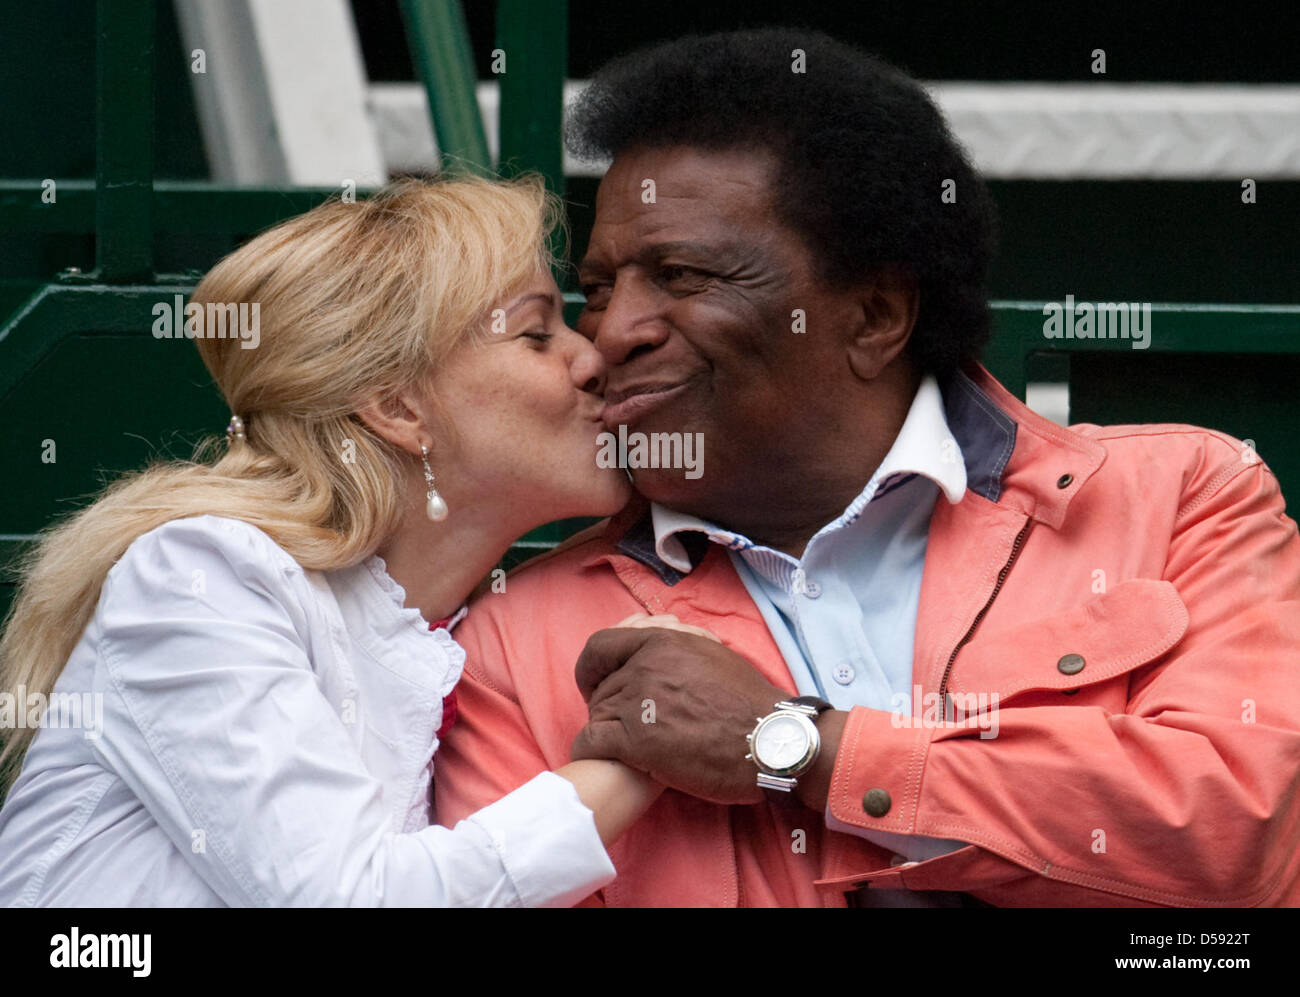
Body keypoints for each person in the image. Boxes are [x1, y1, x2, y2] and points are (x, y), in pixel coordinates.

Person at [433, 29, 1300, 907]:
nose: (613, 332)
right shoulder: (514, 637)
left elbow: (1239, 839)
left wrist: (802, 747)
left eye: (681, 275)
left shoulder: (1184, 494)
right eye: (604, 286)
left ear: (875, 315)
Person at [0, 175, 684, 907]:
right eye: (537, 334)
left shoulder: (460, 628)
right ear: (397, 406)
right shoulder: (204, 575)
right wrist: (633, 753)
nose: (591, 359)